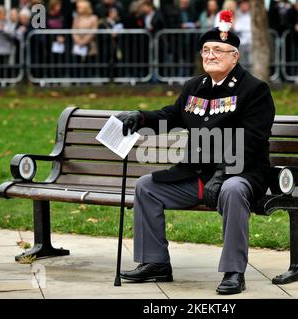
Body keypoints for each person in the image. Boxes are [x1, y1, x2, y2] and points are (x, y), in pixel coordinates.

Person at [116, 10, 276, 295]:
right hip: (198, 176)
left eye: (218, 50)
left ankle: (233, 272)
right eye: (206, 50)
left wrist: (223, 173)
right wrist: (140, 118)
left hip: (242, 174)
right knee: (146, 187)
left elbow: (252, 141)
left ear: (234, 57)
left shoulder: (254, 90)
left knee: (232, 190)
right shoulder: (195, 87)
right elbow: (171, 115)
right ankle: (155, 263)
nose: (210, 55)